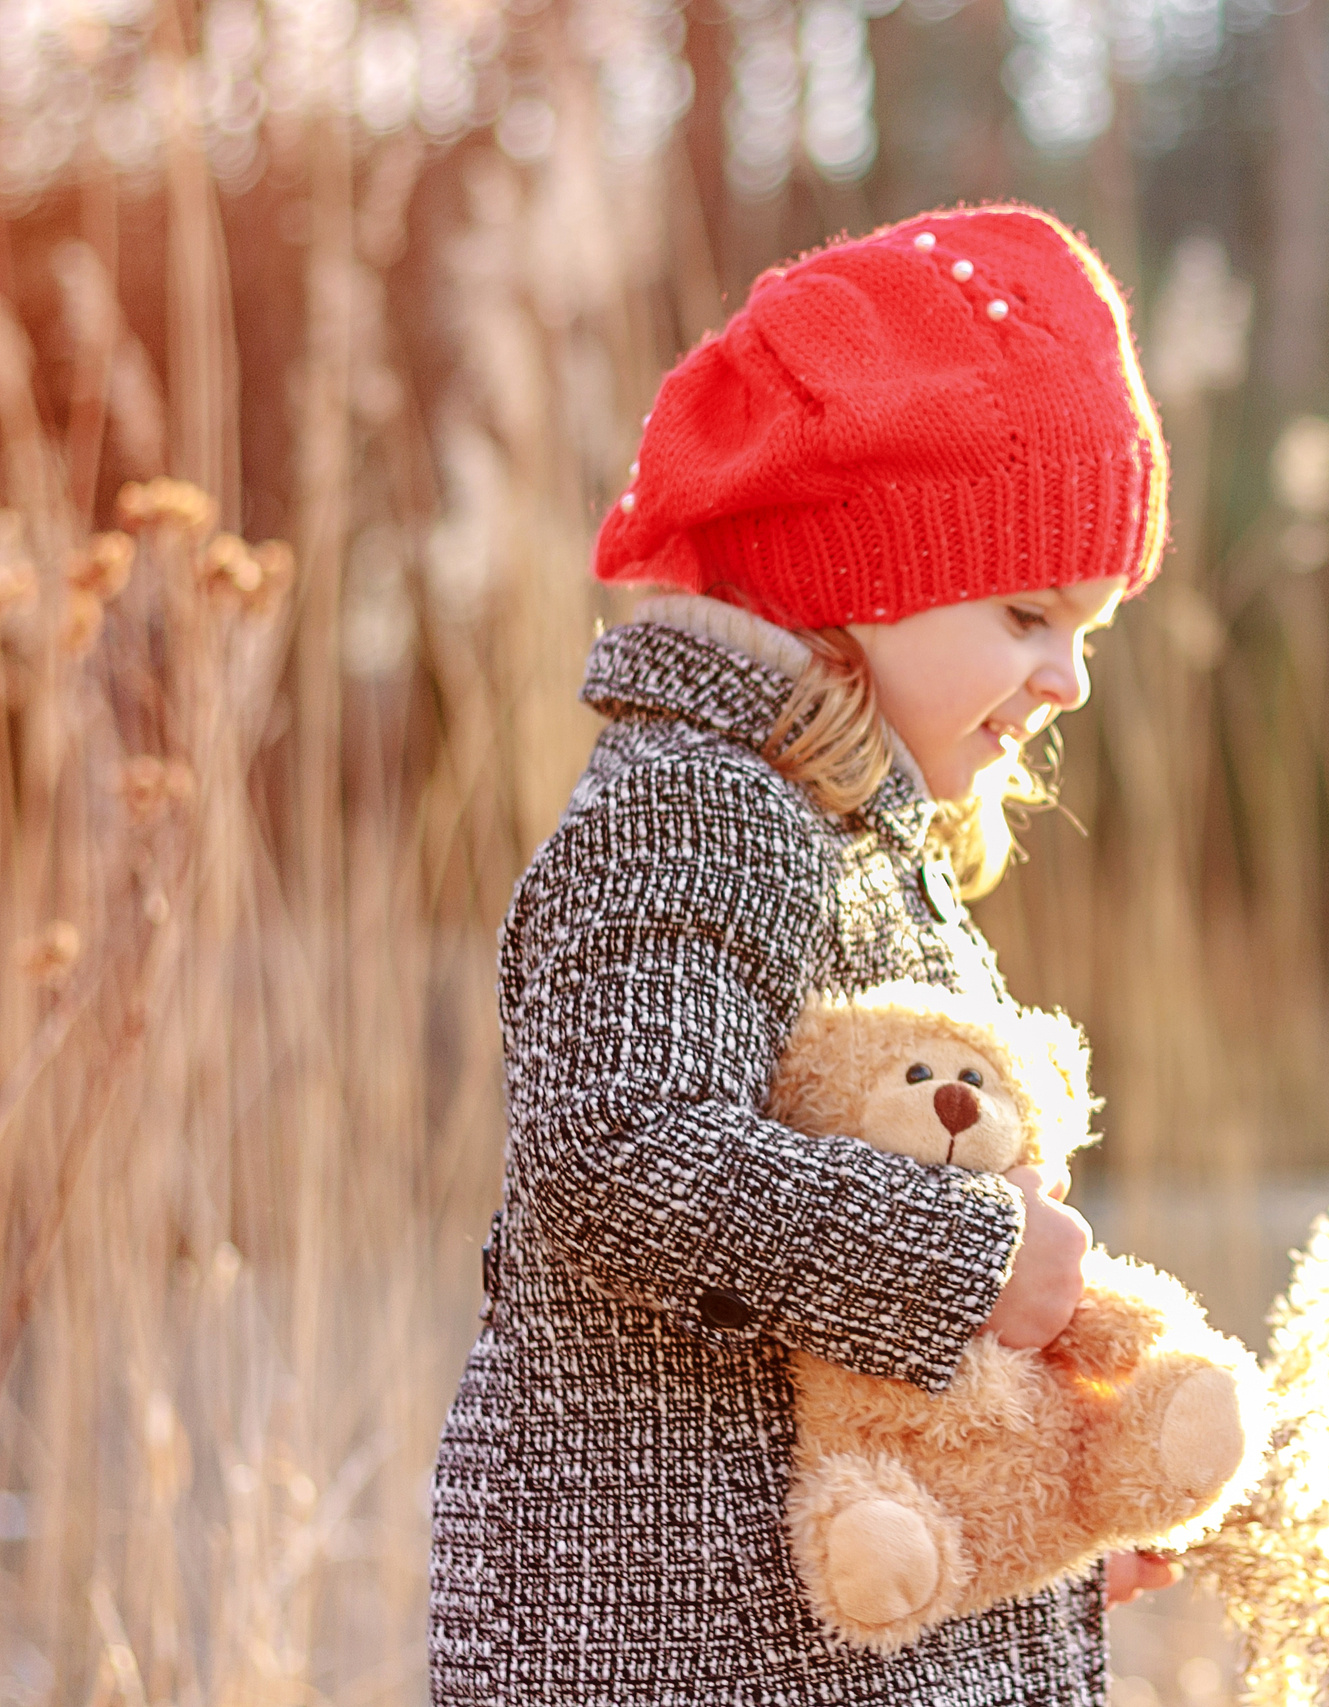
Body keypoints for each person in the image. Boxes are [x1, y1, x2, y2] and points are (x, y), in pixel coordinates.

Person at [430, 204, 1174, 1706]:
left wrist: (1034, 1491)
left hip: (825, 1630)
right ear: (856, 581)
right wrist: (969, 1265)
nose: (1067, 674)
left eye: (1088, 626)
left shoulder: (856, 841)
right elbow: (617, 1148)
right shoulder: (699, 806)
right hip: (687, 1646)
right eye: (1029, 612)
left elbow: (828, 1314)